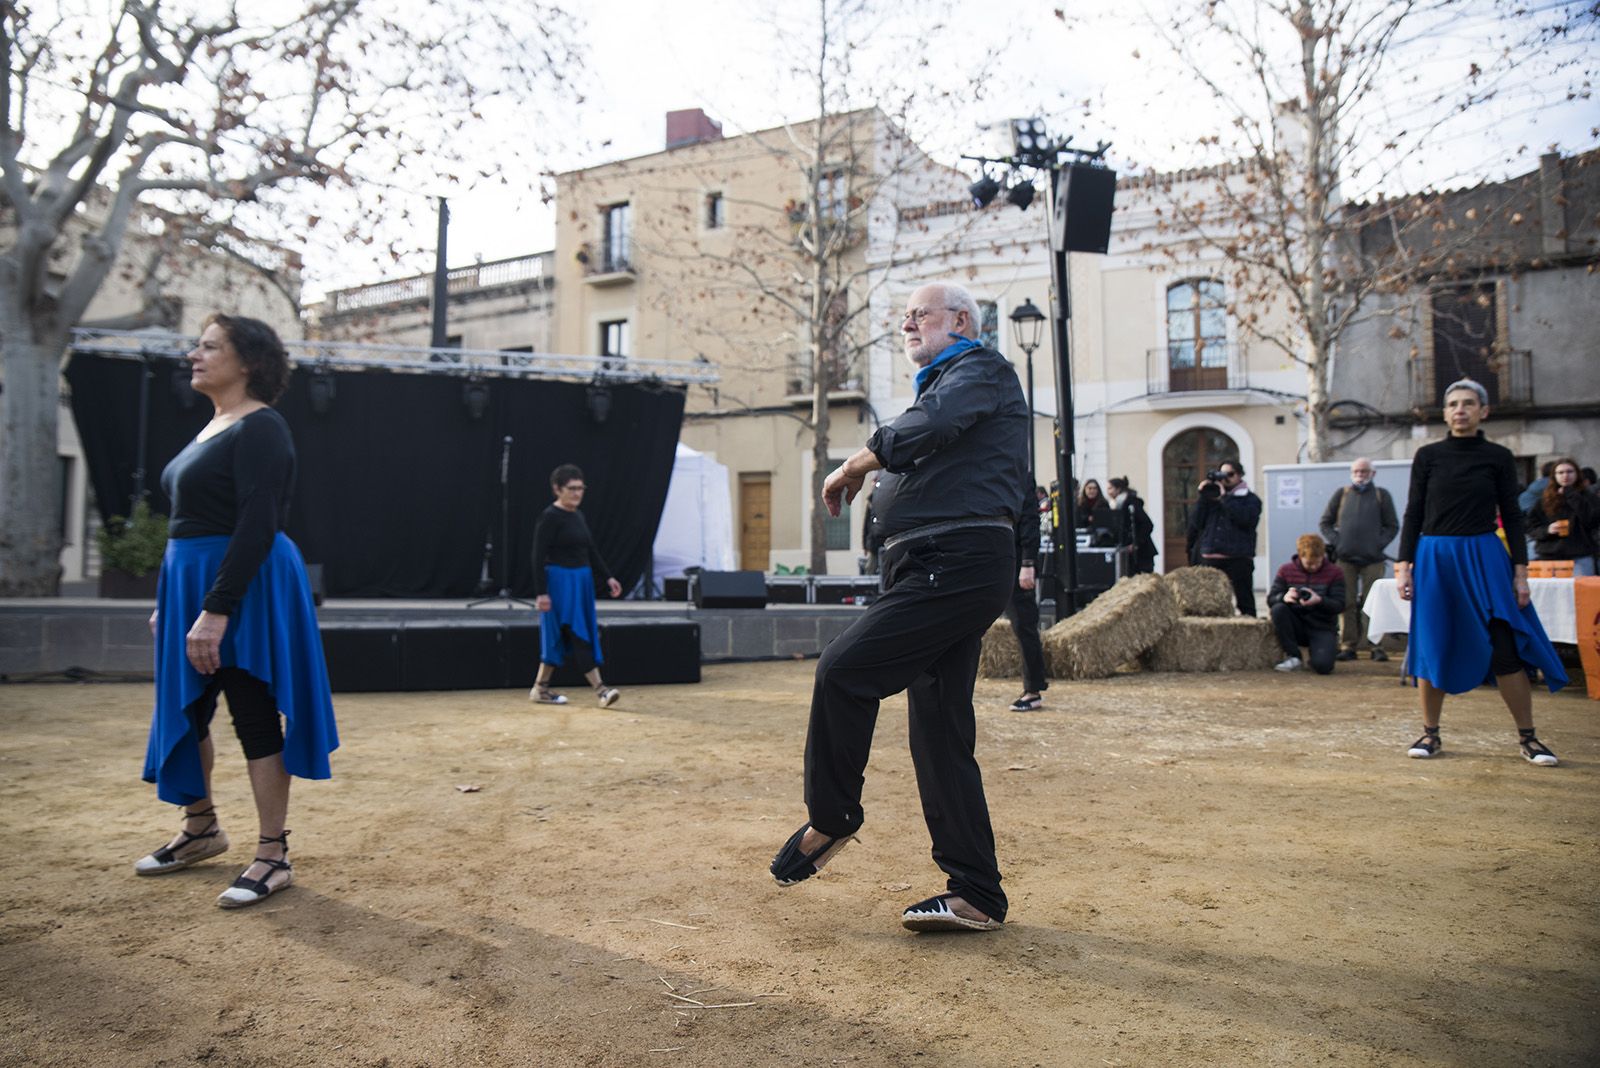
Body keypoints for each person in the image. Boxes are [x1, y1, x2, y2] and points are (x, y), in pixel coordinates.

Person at [769, 281, 1027, 933]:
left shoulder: (980, 368)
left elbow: (931, 427)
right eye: (904, 317)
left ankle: (833, 819)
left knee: (844, 671)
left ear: (962, 321)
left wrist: (855, 464)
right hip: (931, 564)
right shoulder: (944, 384)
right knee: (939, 735)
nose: (908, 324)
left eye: (921, 314)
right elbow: (932, 433)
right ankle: (976, 893)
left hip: (955, 562)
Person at [134, 314, 339, 909]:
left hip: (243, 585)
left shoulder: (262, 428)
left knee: (251, 710)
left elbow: (257, 523)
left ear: (246, 361)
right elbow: (187, 525)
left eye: (209, 346)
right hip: (194, 585)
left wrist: (216, 610)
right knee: (189, 710)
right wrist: (169, 605)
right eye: (197, 345)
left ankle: (273, 856)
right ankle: (201, 829)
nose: (195, 355)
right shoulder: (212, 427)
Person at [1395, 379, 1567, 765]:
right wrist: (1402, 567)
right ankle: (1430, 733)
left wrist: (1520, 573)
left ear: (1482, 411)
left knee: (1504, 645)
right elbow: (1413, 512)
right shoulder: (1428, 456)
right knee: (1434, 645)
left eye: (1468, 403)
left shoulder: (1499, 456)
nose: (1460, 409)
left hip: (1485, 556)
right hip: (1435, 557)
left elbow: (1513, 515)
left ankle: (1529, 738)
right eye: (1453, 404)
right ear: (1445, 413)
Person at [530, 464, 623, 707]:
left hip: (580, 581)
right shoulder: (550, 517)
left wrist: (608, 577)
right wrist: (541, 592)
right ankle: (601, 690)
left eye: (581, 488)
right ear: (557, 489)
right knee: (574, 632)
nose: (577, 493)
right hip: (560, 582)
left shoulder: (577, 516)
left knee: (567, 632)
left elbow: (590, 550)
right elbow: (537, 556)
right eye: (572, 488)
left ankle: (540, 689)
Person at [1319, 457, 1400, 661]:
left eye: (1364, 471)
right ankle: (1348, 645)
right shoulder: (1342, 494)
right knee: (1346, 602)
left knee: (1373, 602)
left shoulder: (1382, 495)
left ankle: (1376, 646)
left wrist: (1378, 543)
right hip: (1345, 559)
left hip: (1373, 559)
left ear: (1372, 474)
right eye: (1356, 471)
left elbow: (1392, 526)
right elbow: (1325, 522)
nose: (1360, 475)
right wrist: (1338, 542)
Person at [1267, 534, 1346, 674]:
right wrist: (1283, 597)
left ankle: (1317, 655)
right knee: (1278, 609)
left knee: (1323, 667)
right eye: (1309, 563)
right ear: (1300, 556)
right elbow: (1271, 599)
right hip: (1296, 622)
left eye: (1318, 562)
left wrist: (1320, 600)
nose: (1313, 567)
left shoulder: (1335, 572)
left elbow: (1339, 605)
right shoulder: (1286, 570)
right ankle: (1293, 655)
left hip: (1322, 626)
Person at [1191, 460, 1261, 616]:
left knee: (1245, 602)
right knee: (1209, 603)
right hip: (1211, 556)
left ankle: (1250, 635)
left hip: (1239, 558)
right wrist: (1203, 497)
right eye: (1222, 474)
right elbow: (1196, 523)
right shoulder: (1211, 498)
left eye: (1230, 474)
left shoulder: (1251, 499)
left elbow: (1246, 520)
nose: (1226, 478)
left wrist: (1225, 499)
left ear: (1240, 475)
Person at [1004, 482, 1048, 712]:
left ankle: (1033, 690)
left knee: (1024, 625)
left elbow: (1030, 520)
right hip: (997, 558)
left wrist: (1028, 563)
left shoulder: (1019, 475)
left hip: (1015, 561)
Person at [1525, 458, 1599, 577]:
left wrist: (1571, 494)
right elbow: (1530, 526)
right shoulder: (1545, 500)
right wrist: (1547, 530)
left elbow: (1591, 520)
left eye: (1569, 472)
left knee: (1581, 593)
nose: (1565, 476)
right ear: (1554, 476)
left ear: (1577, 474)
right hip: (1549, 556)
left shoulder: (1588, 497)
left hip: (1580, 556)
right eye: (1560, 472)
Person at [1106, 476, 1157, 575]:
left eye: (1110, 488)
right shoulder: (1117, 504)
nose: (1108, 492)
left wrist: (1136, 543)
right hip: (1128, 552)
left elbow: (1147, 524)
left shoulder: (1131, 504)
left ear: (1118, 489)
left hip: (1141, 554)